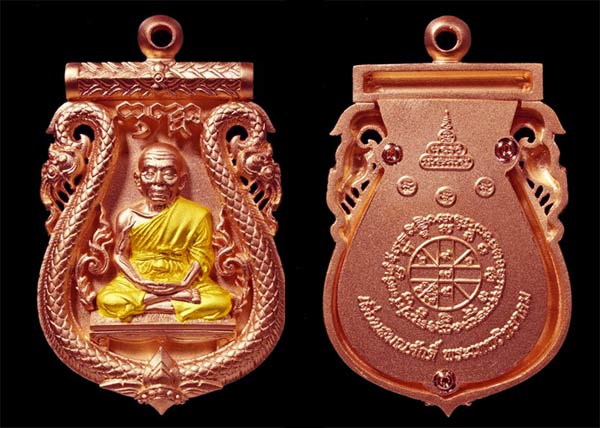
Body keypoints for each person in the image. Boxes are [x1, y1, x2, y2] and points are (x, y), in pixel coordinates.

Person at [96, 143, 232, 322]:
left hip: (184, 279)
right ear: (137, 179)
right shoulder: (127, 217)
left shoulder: (198, 215)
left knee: (221, 302)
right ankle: (171, 300)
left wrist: (183, 284)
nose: (158, 181)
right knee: (107, 300)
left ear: (181, 181)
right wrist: (139, 282)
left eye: (168, 173)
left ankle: (146, 303)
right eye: (149, 173)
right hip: (138, 279)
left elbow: (201, 256)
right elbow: (120, 255)